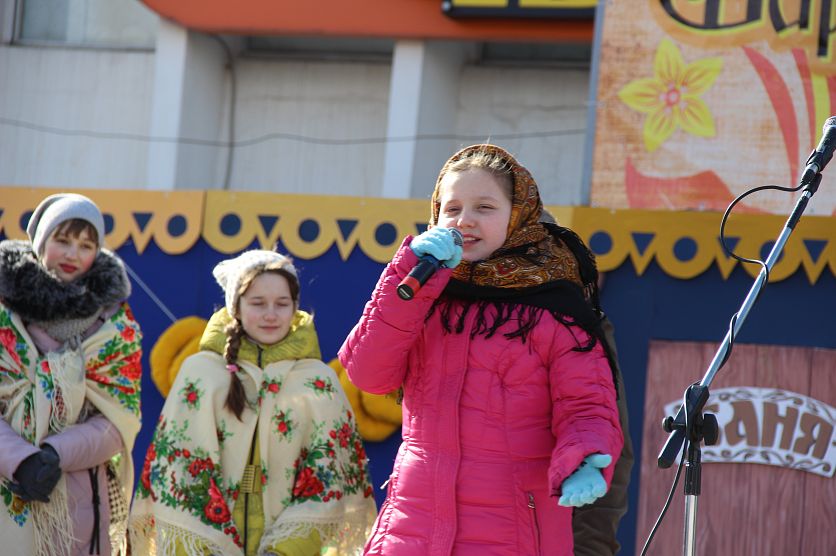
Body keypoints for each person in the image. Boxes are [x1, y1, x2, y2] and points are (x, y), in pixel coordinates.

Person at [339, 144, 624, 555]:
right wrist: (406, 273)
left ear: (519, 216)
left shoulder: (555, 313)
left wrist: (584, 458)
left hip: (511, 532)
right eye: (452, 209)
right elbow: (368, 374)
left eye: (484, 207)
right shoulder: (422, 294)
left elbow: (586, 404)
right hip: (412, 528)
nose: (464, 220)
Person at [131, 249, 376, 556]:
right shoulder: (201, 373)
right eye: (258, 303)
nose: (270, 314)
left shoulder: (318, 381)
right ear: (236, 306)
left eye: (282, 304)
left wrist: (285, 550)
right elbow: (178, 469)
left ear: (295, 307)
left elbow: (330, 479)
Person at [0, 193, 142, 556]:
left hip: (78, 506)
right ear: (39, 242)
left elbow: (119, 419)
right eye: (62, 240)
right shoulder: (3, 314)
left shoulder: (114, 326)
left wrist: (54, 454)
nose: (73, 254)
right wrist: (20, 459)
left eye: (86, 245)